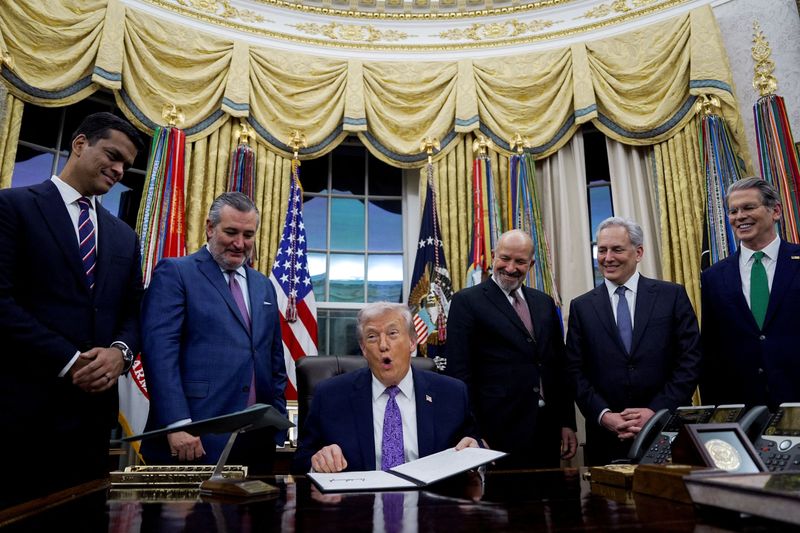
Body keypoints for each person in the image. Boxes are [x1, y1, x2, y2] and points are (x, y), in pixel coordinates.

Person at [0, 112, 145, 506]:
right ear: (80, 144)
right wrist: (70, 361)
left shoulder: (124, 237)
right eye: (112, 155)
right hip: (24, 412)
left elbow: (134, 311)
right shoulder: (12, 207)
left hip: (93, 420)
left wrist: (120, 354)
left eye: (126, 165)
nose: (118, 170)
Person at [141, 192, 287, 473]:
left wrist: (275, 420)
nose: (239, 243)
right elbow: (160, 355)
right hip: (195, 437)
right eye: (231, 232)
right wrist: (177, 423)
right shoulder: (176, 273)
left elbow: (273, 358)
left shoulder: (263, 285)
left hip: (257, 441)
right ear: (210, 227)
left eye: (248, 235)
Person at [566, 217, 702, 465]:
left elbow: (690, 360)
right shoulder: (581, 307)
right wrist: (604, 415)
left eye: (617, 249)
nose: (607, 258)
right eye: (602, 250)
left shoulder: (671, 295)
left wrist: (655, 411)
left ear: (638, 252)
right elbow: (575, 371)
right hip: (607, 438)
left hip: (667, 430)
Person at [292, 302, 479, 473]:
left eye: (392, 333)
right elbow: (301, 459)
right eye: (372, 337)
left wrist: (475, 451)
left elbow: (473, 445)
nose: (383, 345)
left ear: (412, 342)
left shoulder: (452, 393)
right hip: (357, 504)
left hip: (431, 505)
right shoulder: (330, 395)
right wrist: (317, 461)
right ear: (364, 348)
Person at [444, 229, 577, 469]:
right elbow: (459, 373)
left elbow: (558, 366)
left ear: (531, 263)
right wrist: (473, 431)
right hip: (495, 431)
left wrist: (568, 422)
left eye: (520, 261)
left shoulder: (544, 302)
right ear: (494, 256)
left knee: (550, 501)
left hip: (546, 429)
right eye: (505, 258)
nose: (510, 267)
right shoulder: (467, 301)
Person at [701, 177, 800, 408]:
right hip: (743, 410)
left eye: (748, 207)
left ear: (775, 211)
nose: (739, 216)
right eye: (733, 211)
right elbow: (711, 353)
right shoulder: (714, 276)